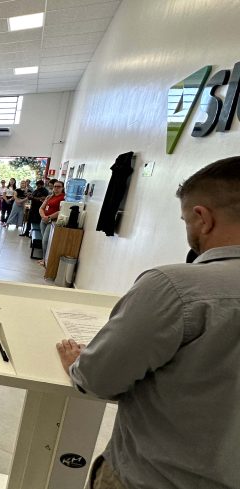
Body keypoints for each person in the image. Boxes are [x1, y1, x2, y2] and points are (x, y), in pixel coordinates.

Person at [56, 156, 240, 489]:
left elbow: (100, 379)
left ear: (203, 218)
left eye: (186, 220)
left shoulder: (173, 287)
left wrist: (78, 365)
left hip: (153, 478)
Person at [38, 180, 65, 265]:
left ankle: (46, 260)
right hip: (44, 220)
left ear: (62, 188)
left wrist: (49, 217)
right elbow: (41, 208)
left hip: (52, 221)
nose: (56, 188)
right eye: (55, 186)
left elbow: (61, 211)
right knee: (44, 240)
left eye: (58, 187)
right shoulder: (49, 197)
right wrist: (44, 217)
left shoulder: (64, 198)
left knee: (46, 240)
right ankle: (44, 258)